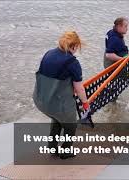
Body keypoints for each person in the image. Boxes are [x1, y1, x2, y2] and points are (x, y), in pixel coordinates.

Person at [33, 31, 89, 159]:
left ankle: (52, 147)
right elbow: (79, 89)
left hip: (41, 100)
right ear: (73, 46)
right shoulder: (72, 63)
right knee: (70, 124)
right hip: (57, 103)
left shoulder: (48, 54)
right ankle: (65, 151)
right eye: (77, 47)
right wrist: (85, 103)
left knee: (57, 118)